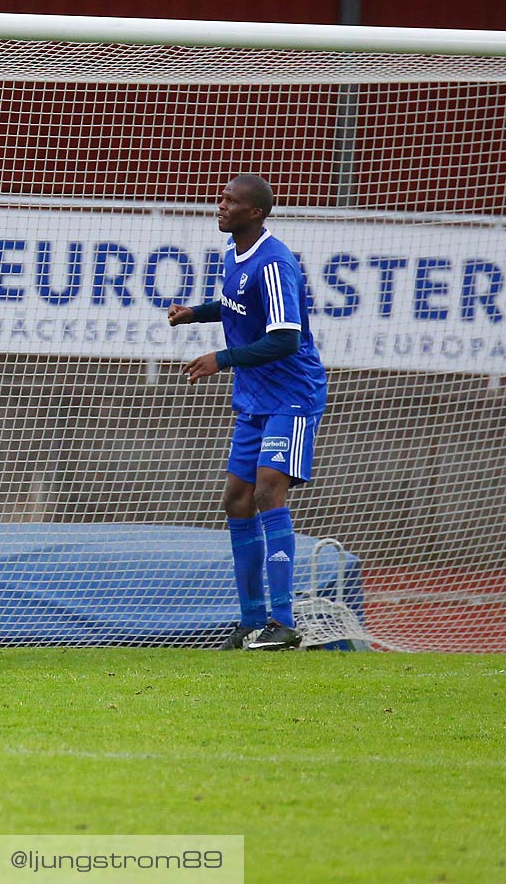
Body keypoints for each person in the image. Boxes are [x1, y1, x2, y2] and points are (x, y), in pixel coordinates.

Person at [168, 174, 328, 652]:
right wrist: (195, 313)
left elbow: (285, 337)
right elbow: (238, 307)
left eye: (231, 201)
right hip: (256, 399)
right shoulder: (234, 255)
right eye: (221, 197)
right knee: (236, 500)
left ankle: (283, 623)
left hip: (292, 396)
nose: (220, 205)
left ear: (255, 212)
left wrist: (221, 359)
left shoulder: (276, 263)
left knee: (266, 491)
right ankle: (251, 622)